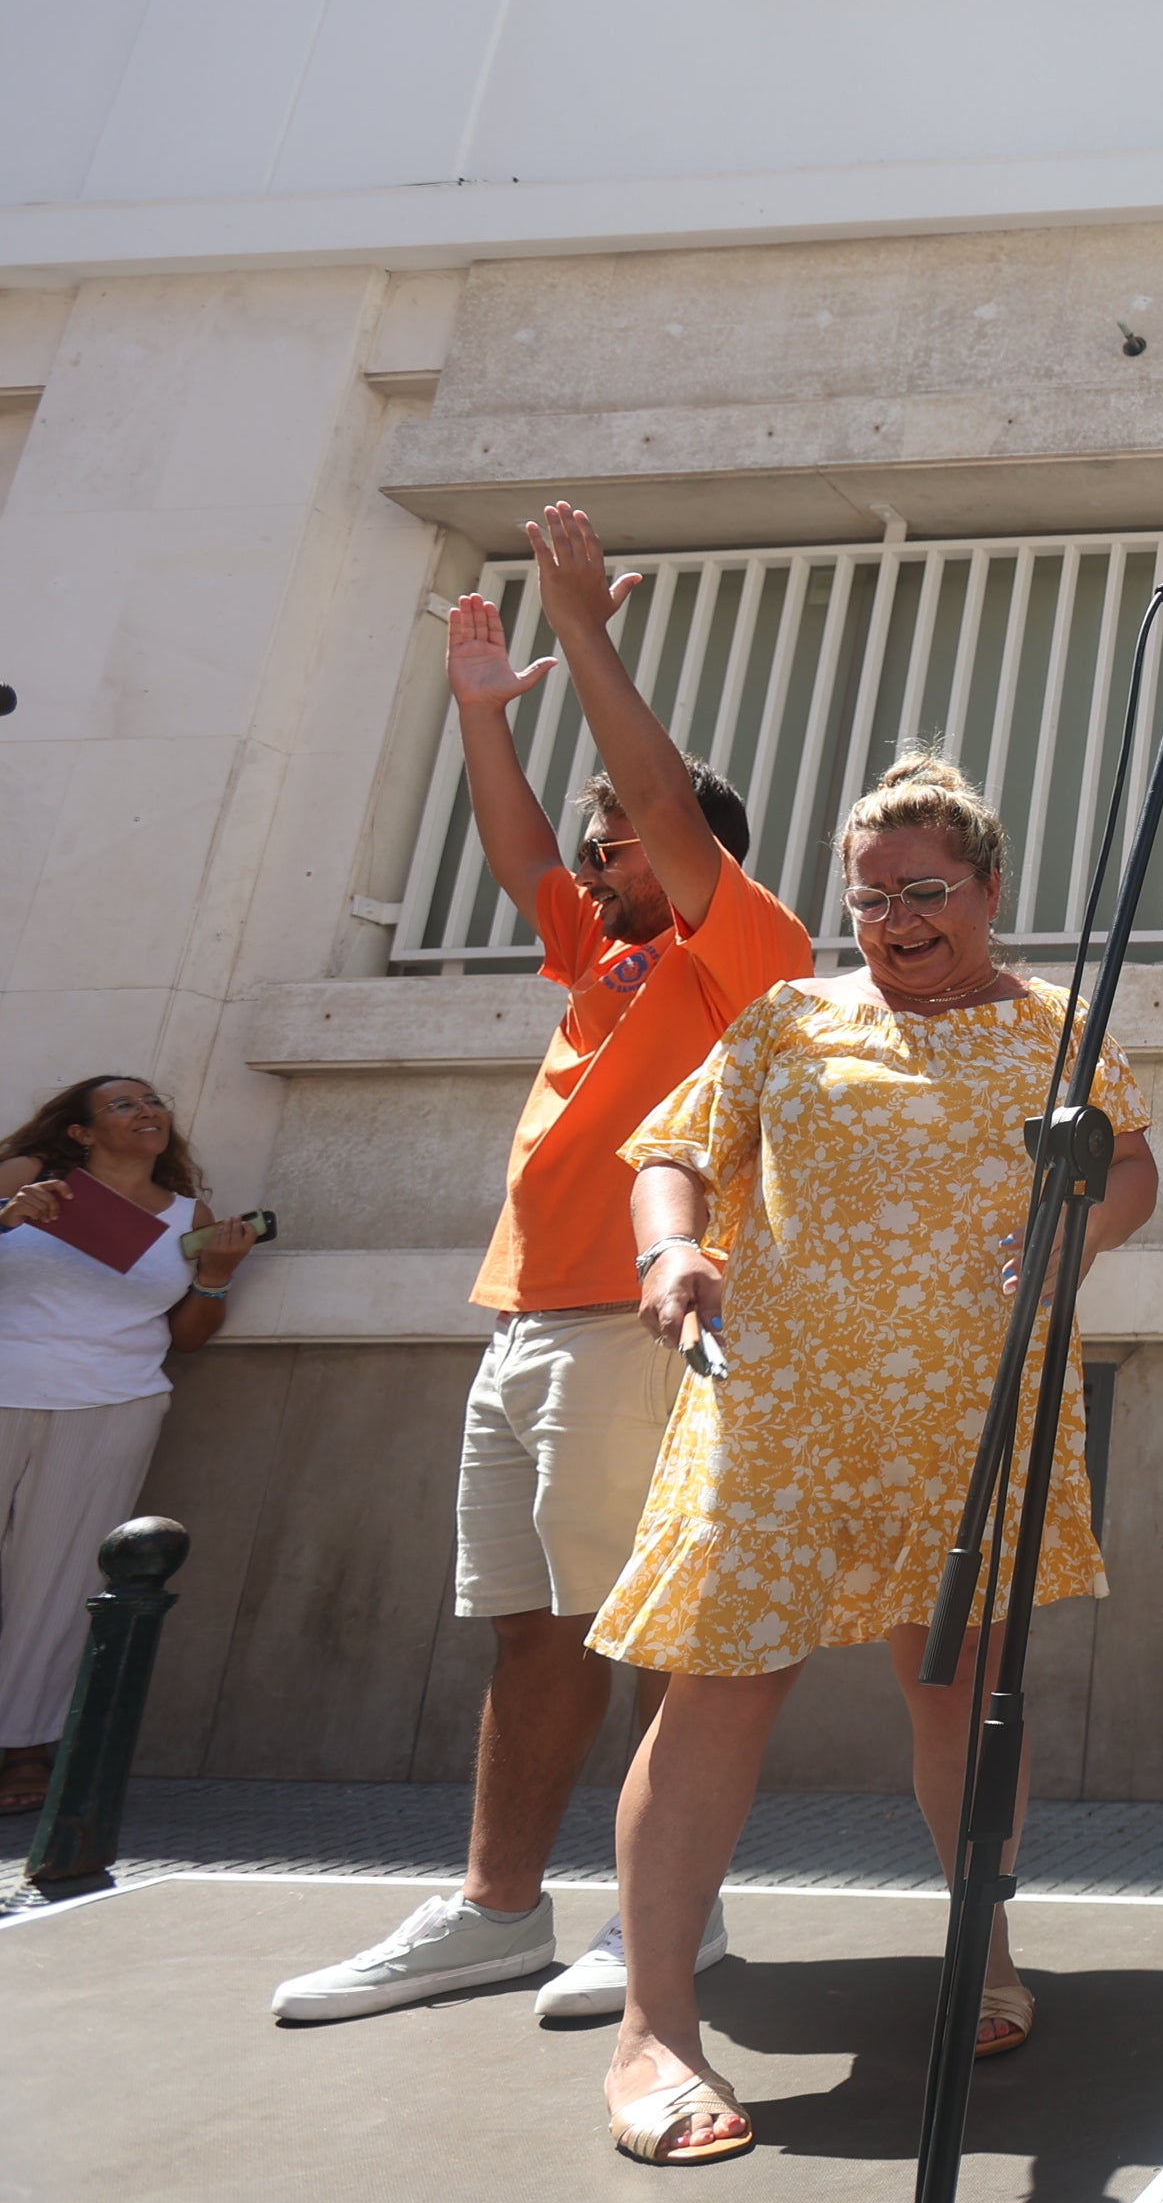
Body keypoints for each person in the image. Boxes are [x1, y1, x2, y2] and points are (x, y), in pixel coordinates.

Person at [273, 504, 812, 2029]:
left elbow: (655, 794)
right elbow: (519, 844)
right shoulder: (603, 953)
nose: (599, 850)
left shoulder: (741, 949)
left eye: (625, 834)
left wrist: (587, 638)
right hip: (524, 1323)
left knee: (646, 1621)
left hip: (638, 1328)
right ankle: (494, 1911)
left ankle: (673, 1920)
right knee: (531, 1626)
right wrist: (476, 716)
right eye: (597, 844)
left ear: (695, 850)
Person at [594, 749, 1157, 2163]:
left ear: (988, 890)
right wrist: (671, 1247)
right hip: (776, 1411)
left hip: (969, 1415)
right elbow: (675, 1151)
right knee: (719, 1686)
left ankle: (985, 1947)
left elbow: (1131, 1163)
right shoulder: (789, 1018)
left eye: (927, 893)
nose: (898, 922)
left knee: (960, 1685)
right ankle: (654, 2027)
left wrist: (1077, 1234)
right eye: (870, 900)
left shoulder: (1059, 1023)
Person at [0, 1080, 260, 1812]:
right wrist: (3, 1216)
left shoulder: (188, 1216)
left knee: (57, 1580)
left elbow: (187, 1337)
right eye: (122, 1104)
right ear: (79, 1133)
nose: (147, 1111)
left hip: (113, 1404)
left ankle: (24, 1744)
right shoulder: (27, 1178)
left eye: (153, 1102)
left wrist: (214, 1276)